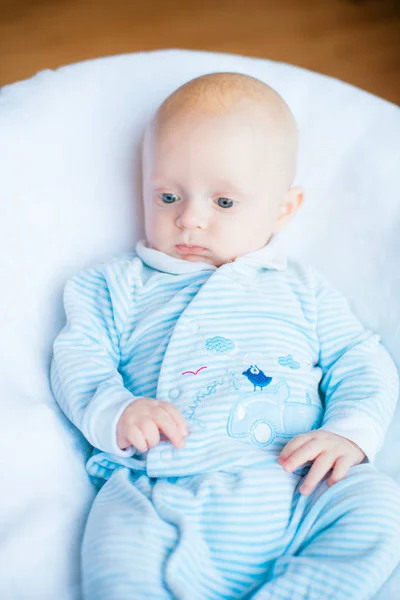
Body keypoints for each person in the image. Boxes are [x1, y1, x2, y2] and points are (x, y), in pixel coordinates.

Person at [50, 72, 400, 600]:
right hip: (163, 490)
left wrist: (349, 432)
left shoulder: (300, 288)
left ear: (283, 209)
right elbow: (79, 355)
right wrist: (116, 409)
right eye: (167, 195)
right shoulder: (115, 283)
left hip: (300, 489)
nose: (189, 220)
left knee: (378, 509)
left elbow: (360, 358)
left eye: (224, 203)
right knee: (118, 554)